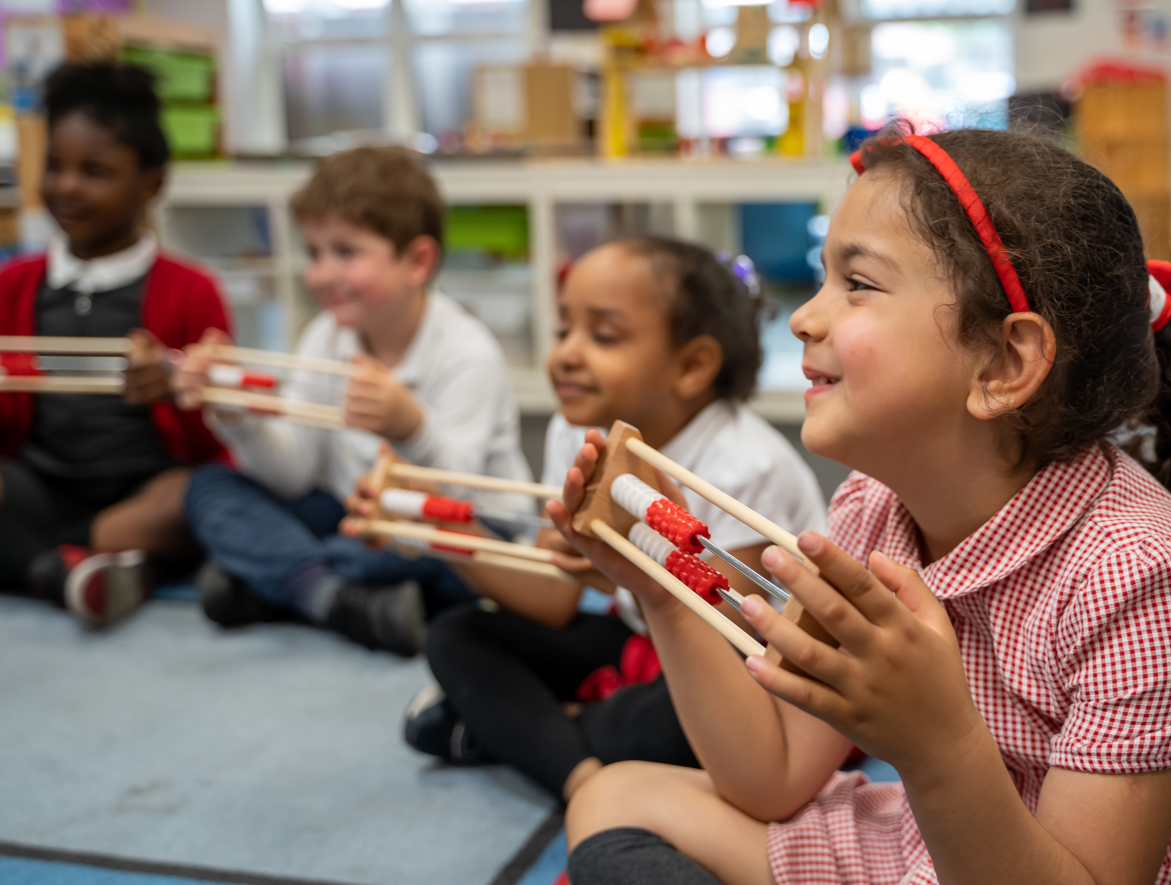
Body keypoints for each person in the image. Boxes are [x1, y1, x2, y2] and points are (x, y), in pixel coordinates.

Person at [550, 129, 1171, 885]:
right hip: (958, 834)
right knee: (611, 796)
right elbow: (773, 777)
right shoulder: (872, 507)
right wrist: (666, 590)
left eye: (857, 283)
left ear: (1004, 361)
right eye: (825, 276)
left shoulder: (1145, 574)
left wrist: (935, 746)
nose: (804, 315)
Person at [398, 237, 827, 801]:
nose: (567, 354)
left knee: (671, 721)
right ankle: (581, 776)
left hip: (734, 670)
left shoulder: (747, 464)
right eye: (563, 330)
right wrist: (448, 534)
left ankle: (529, 734)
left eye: (603, 336)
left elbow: (732, 636)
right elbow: (554, 600)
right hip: (636, 639)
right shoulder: (576, 431)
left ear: (693, 365)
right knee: (457, 633)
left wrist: (621, 570)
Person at [173, 146, 533, 656]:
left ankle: (277, 579)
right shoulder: (325, 336)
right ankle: (333, 597)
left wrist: (410, 429)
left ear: (418, 261)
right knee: (210, 487)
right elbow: (293, 475)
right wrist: (236, 413)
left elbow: (456, 500)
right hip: (356, 515)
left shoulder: (466, 351)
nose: (320, 274)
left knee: (424, 553)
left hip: (466, 527)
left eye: (345, 252)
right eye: (314, 253)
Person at [0, 62, 230, 628]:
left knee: (197, 498)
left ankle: (44, 557)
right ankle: (65, 570)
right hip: (37, 482)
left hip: (143, 491)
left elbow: (219, 433)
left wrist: (178, 387)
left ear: (150, 183)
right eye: (54, 166)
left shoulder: (191, 290)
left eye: (96, 171)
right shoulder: (14, 284)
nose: (67, 187)